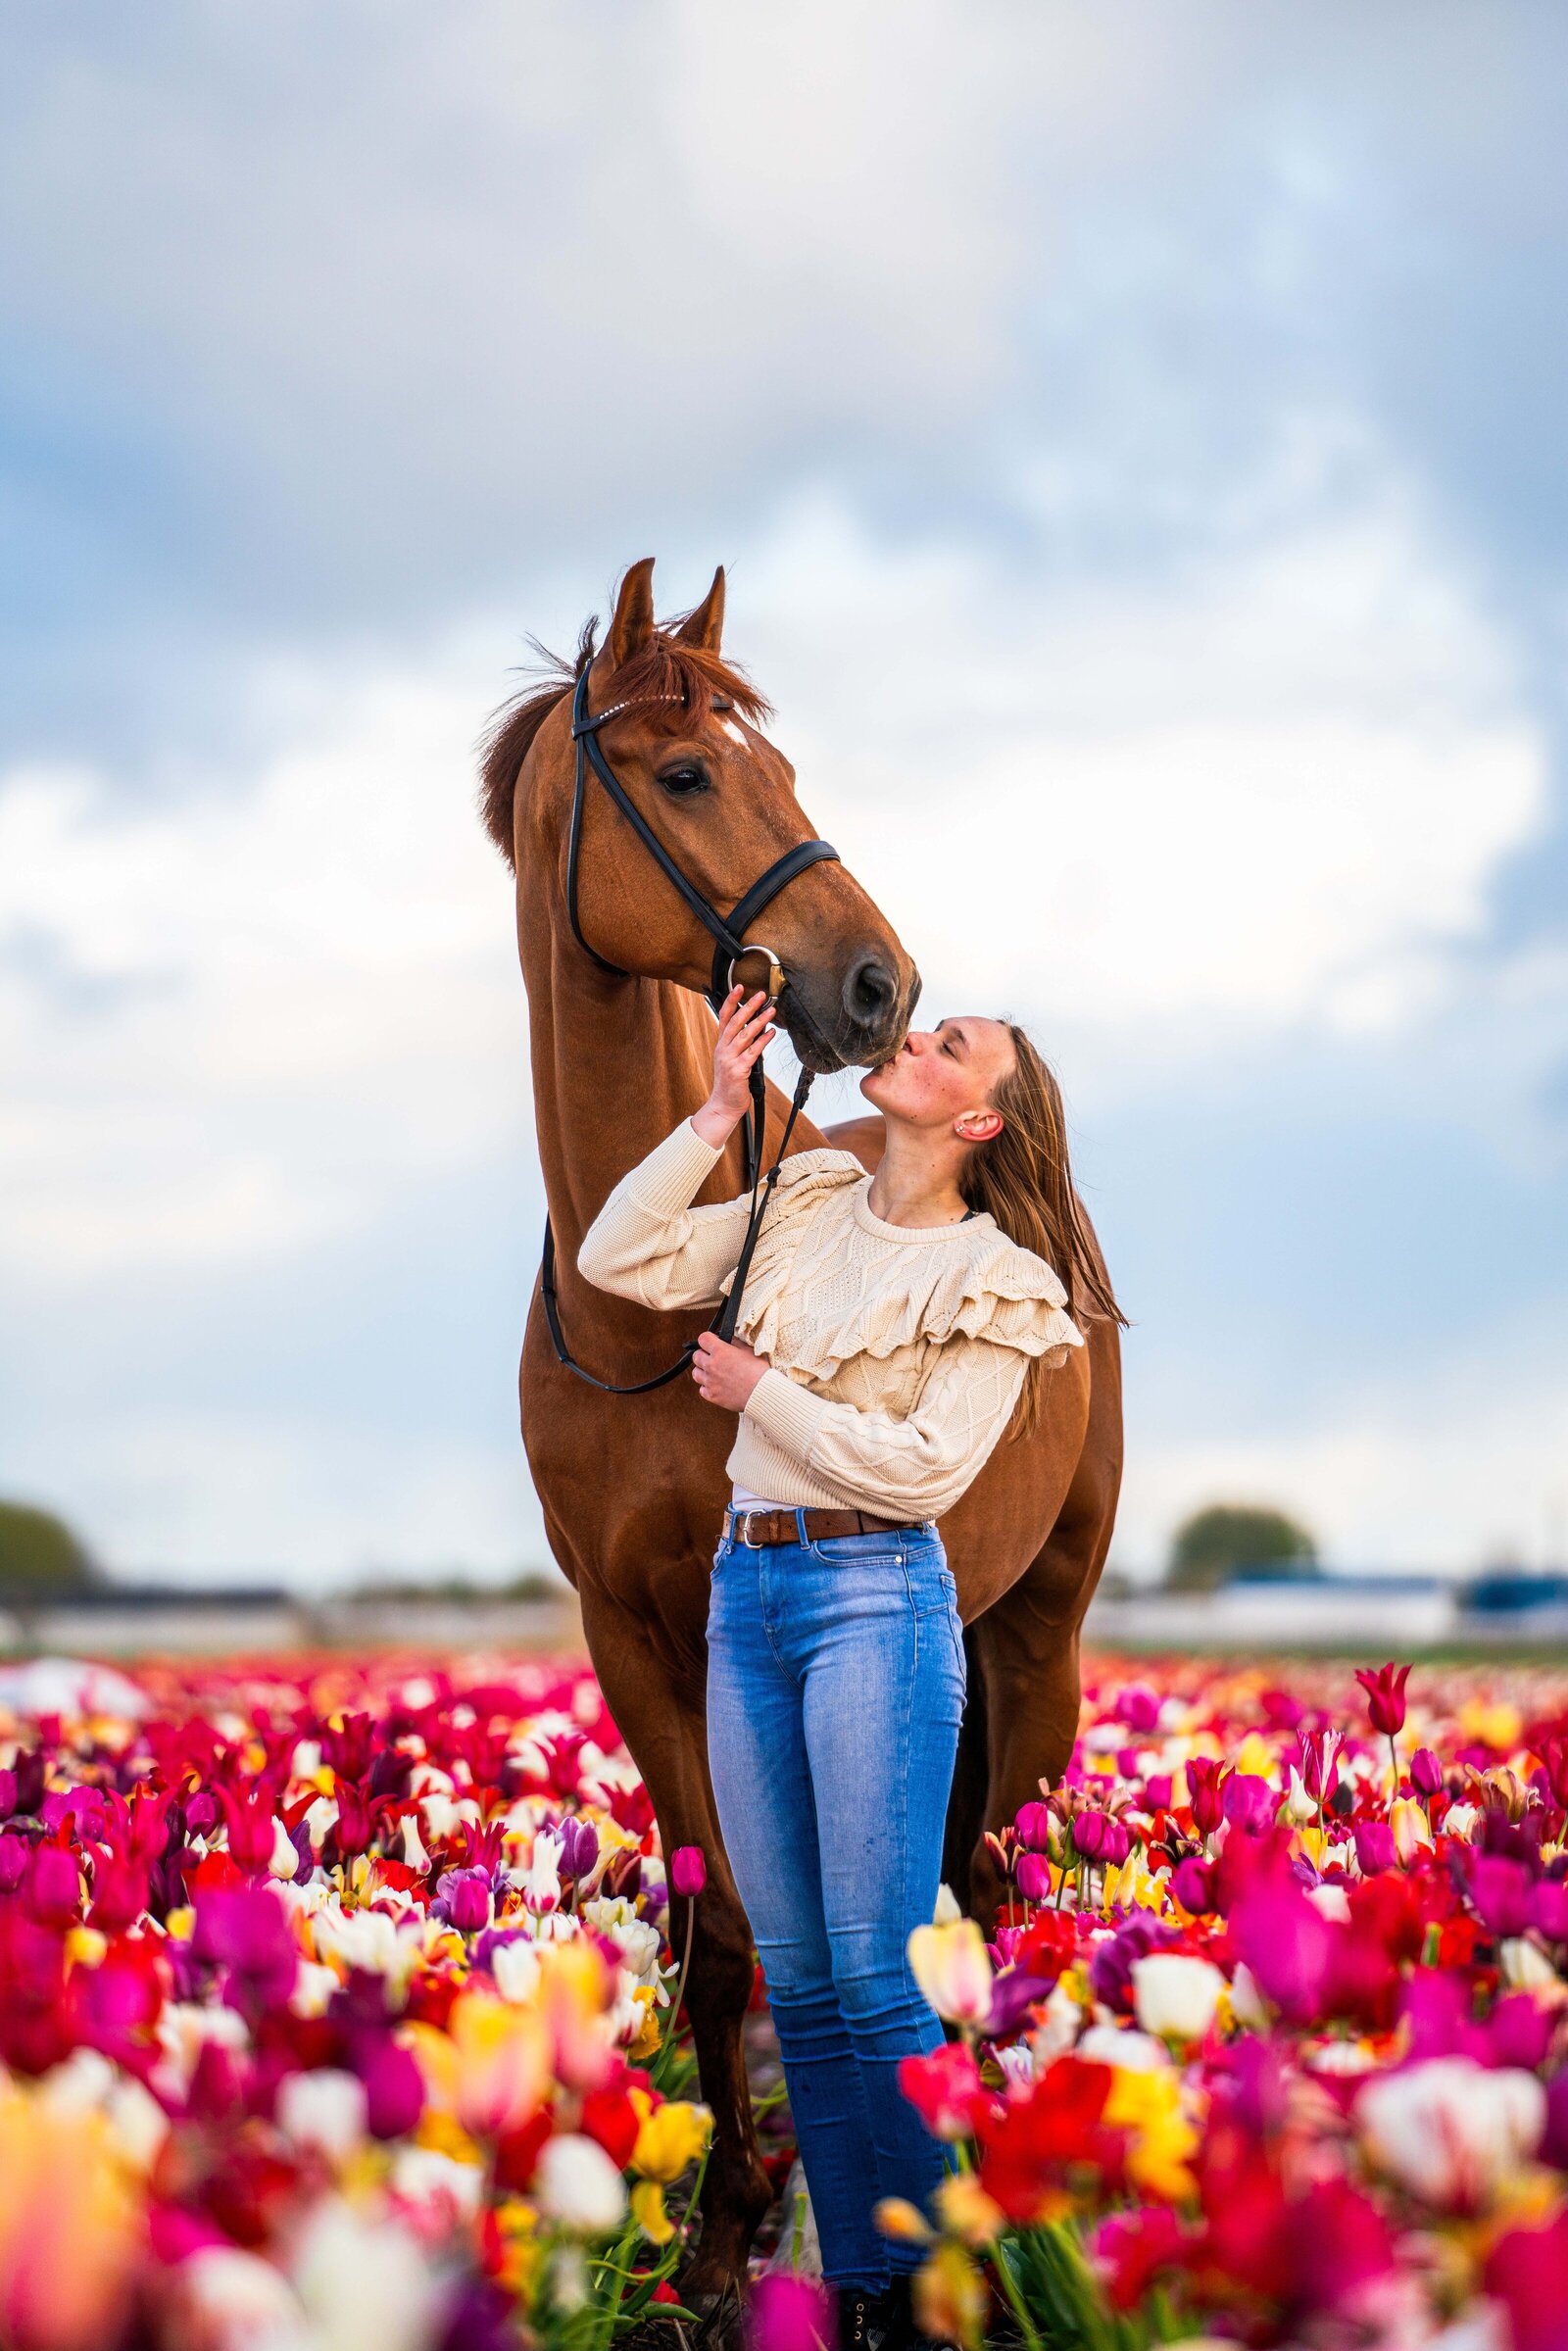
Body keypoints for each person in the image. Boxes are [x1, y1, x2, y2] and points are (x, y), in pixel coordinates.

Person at [577, 986, 1121, 2346]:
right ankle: (871, 2297)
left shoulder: (1001, 1277)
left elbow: (929, 1470)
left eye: (951, 1048)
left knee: (877, 1973)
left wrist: (767, 1396)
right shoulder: (805, 1195)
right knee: (804, 1978)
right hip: (747, 1595)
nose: (916, 1039)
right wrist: (712, 1115)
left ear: (981, 1115)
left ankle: (947, 2296)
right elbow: (617, 1260)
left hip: (875, 1600)